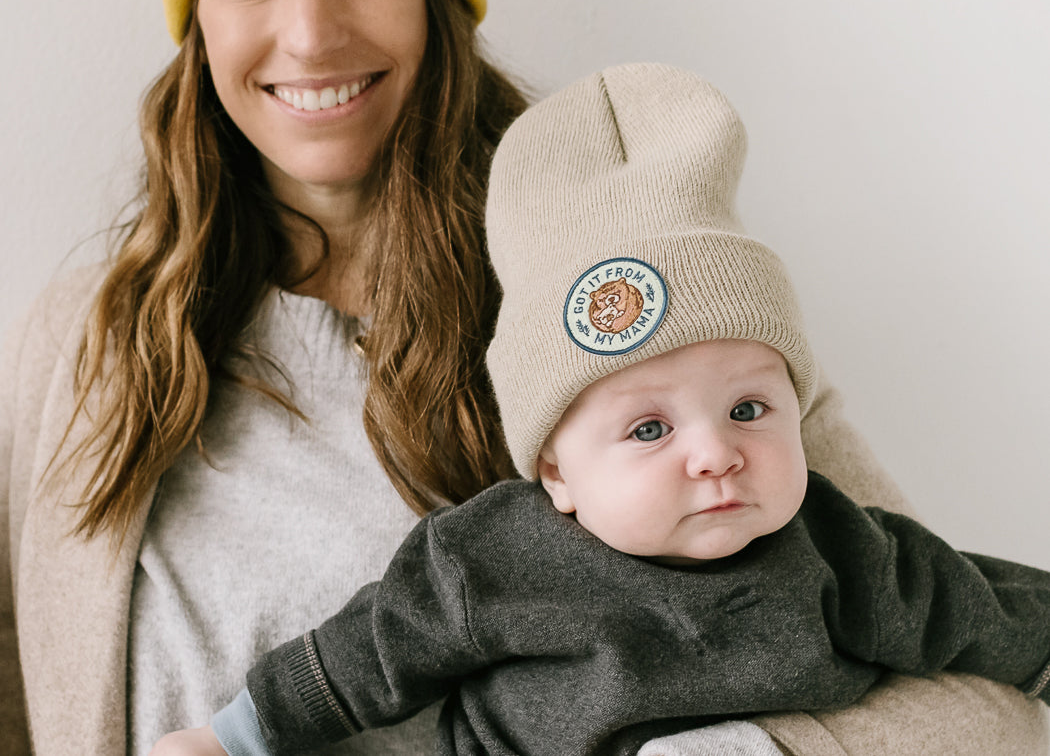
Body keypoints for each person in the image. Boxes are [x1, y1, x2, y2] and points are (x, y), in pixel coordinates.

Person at [0, 0, 1045, 755]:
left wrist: (740, 750)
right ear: (199, 18)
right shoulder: (89, 342)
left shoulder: (627, 292)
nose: (311, 31)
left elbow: (971, 696)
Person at [148, 64, 1050, 756]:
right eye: (650, 429)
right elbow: (364, 657)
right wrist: (232, 737)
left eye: (749, 408)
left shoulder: (843, 545)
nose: (715, 455)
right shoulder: (492, 560)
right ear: (555, 471)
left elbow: (985, 613)